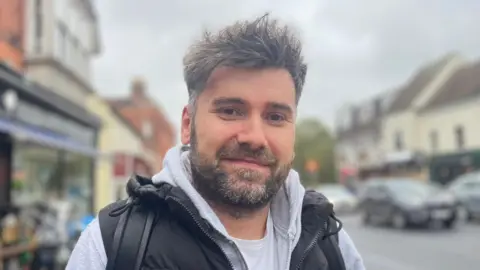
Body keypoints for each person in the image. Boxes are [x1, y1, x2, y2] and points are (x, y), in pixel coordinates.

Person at [66, 13, 365, 270]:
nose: (254, 137)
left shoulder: (329, 239)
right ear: (187, 125)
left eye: (275, 117)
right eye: (231, 111)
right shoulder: (112, 245)